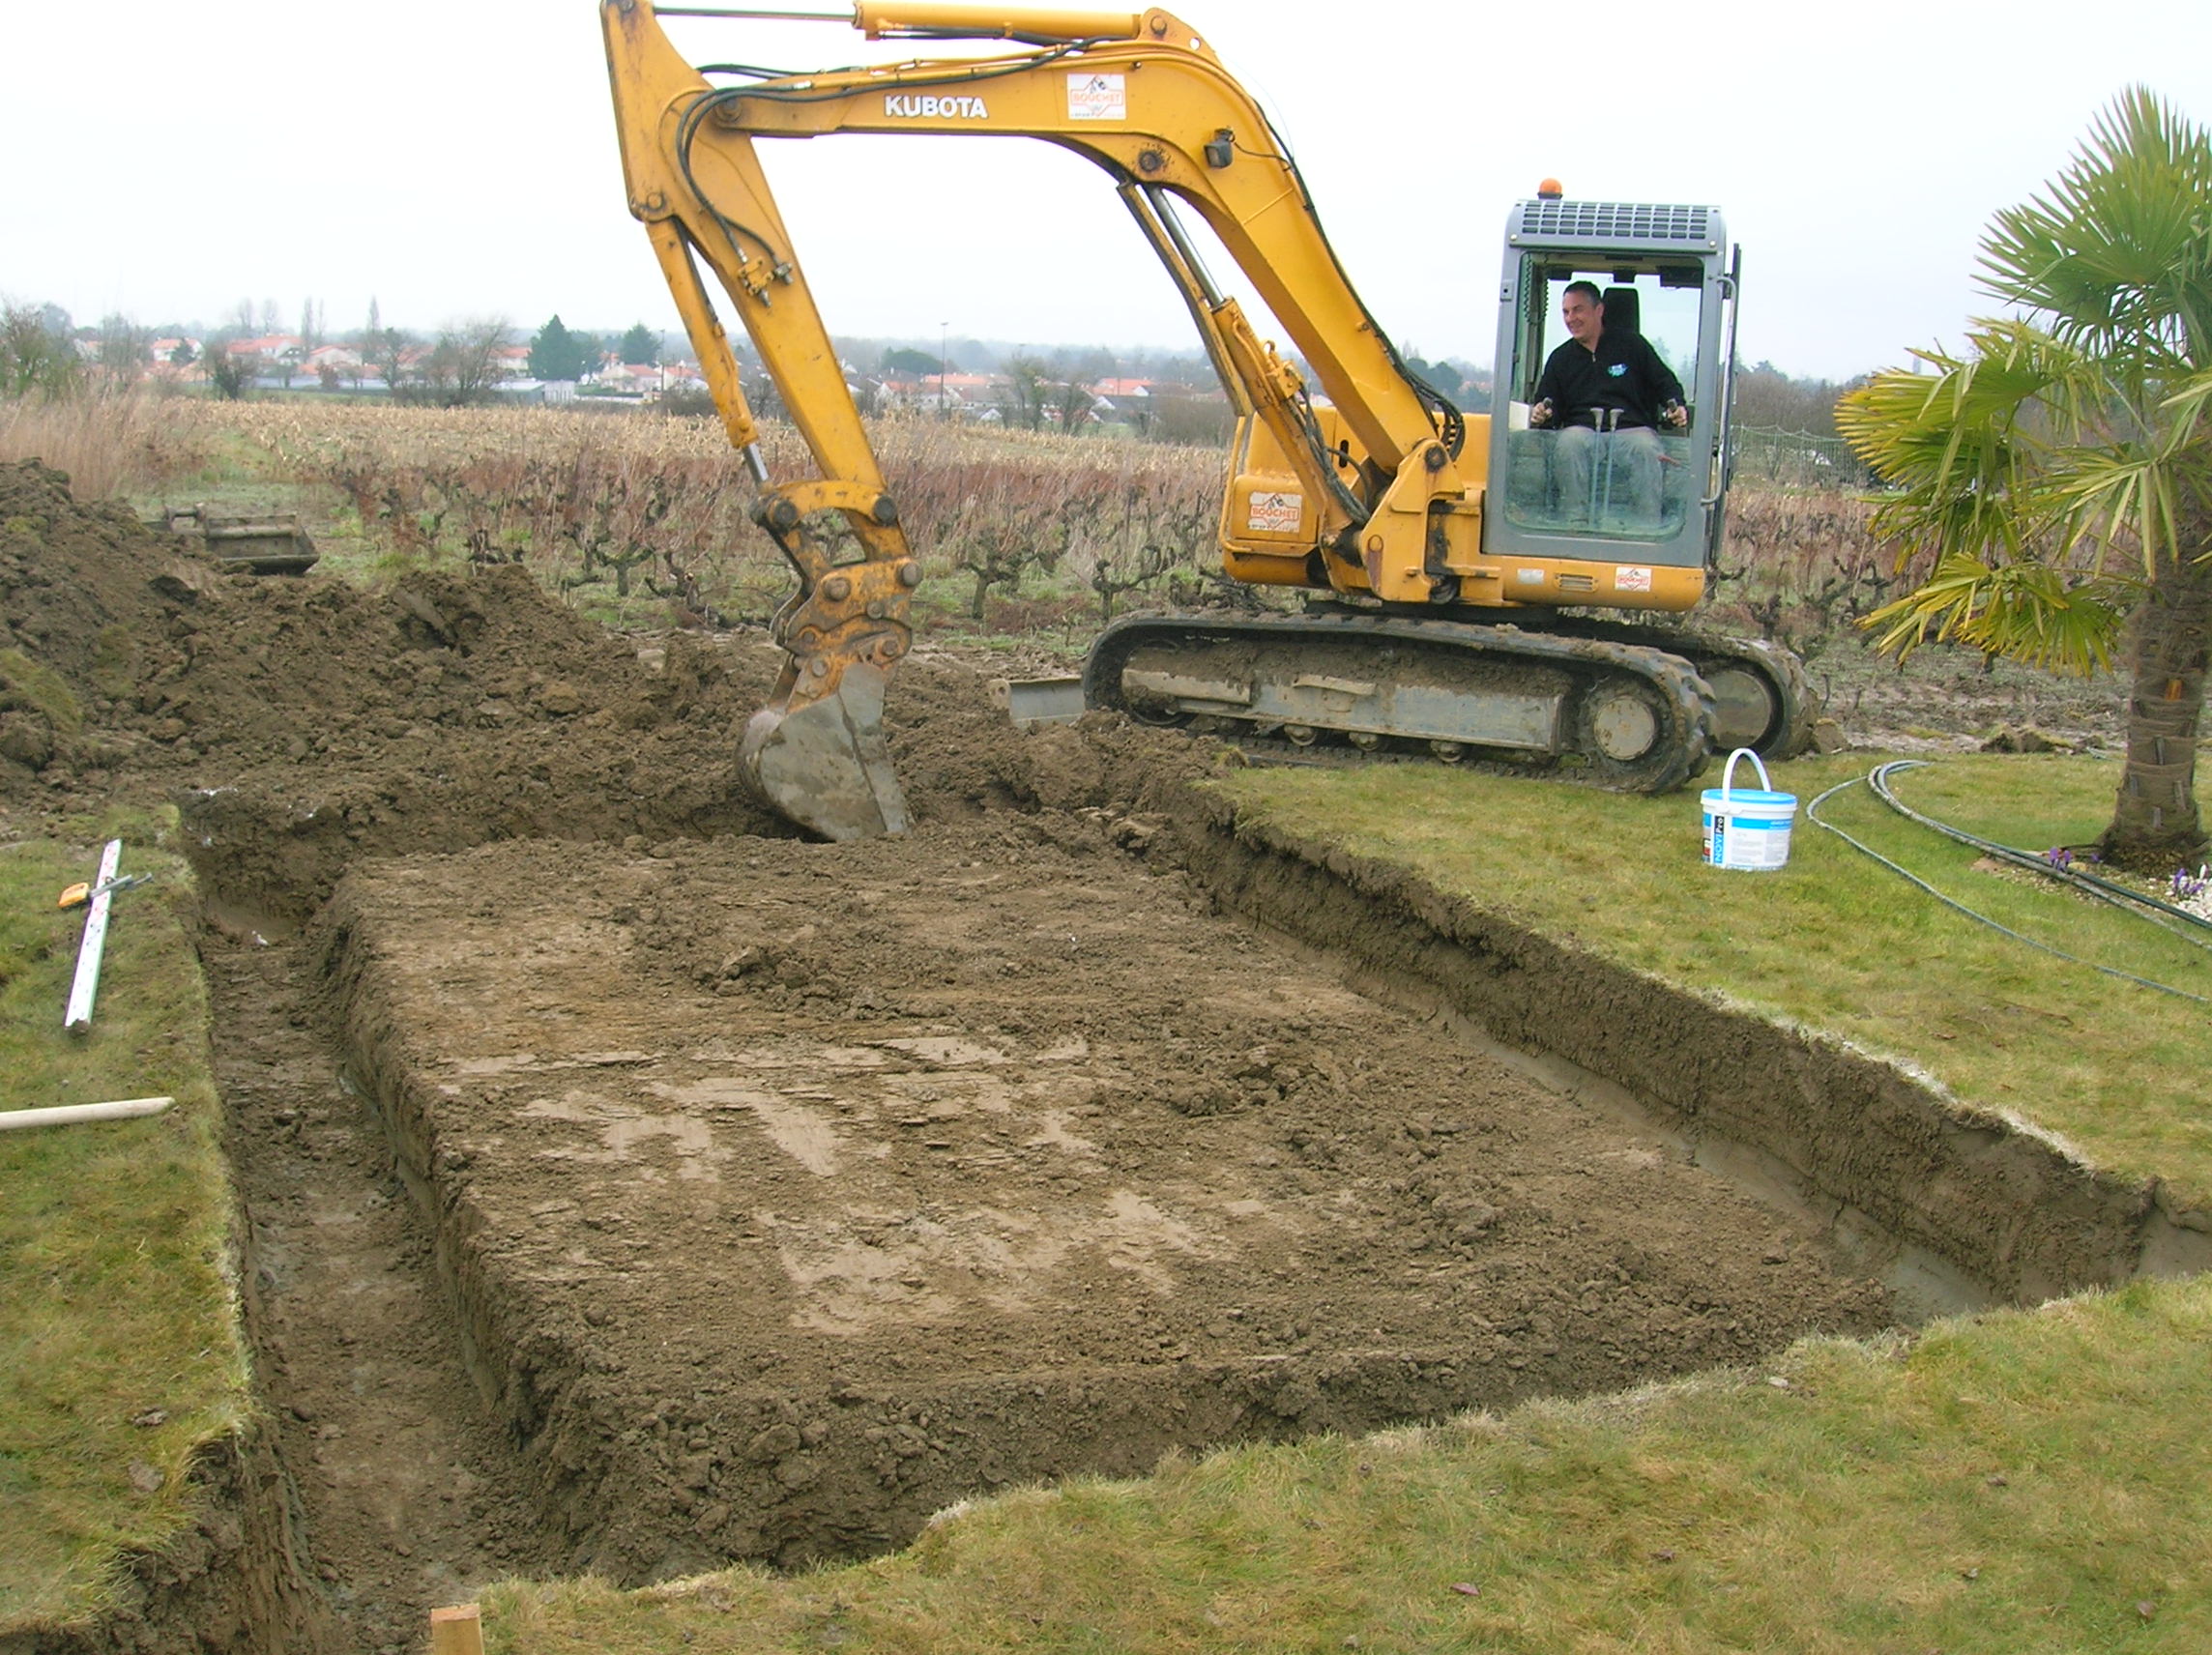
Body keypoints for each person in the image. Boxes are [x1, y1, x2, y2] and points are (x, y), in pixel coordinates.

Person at [1528, 281, 1687, 526]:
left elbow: (1666, 384)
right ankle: (1574, 524)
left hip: (1631, 431)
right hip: (1581, 432)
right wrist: (1542, 411)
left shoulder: (1633, 346)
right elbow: (1548, 400)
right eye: (1566, 312)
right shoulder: (1560, 358)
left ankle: (1646, 528)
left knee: (1646, 448)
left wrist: (1676, 406)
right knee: (1568, 443)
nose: (1571, 318)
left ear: (1599, 310)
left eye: (1578, 310)